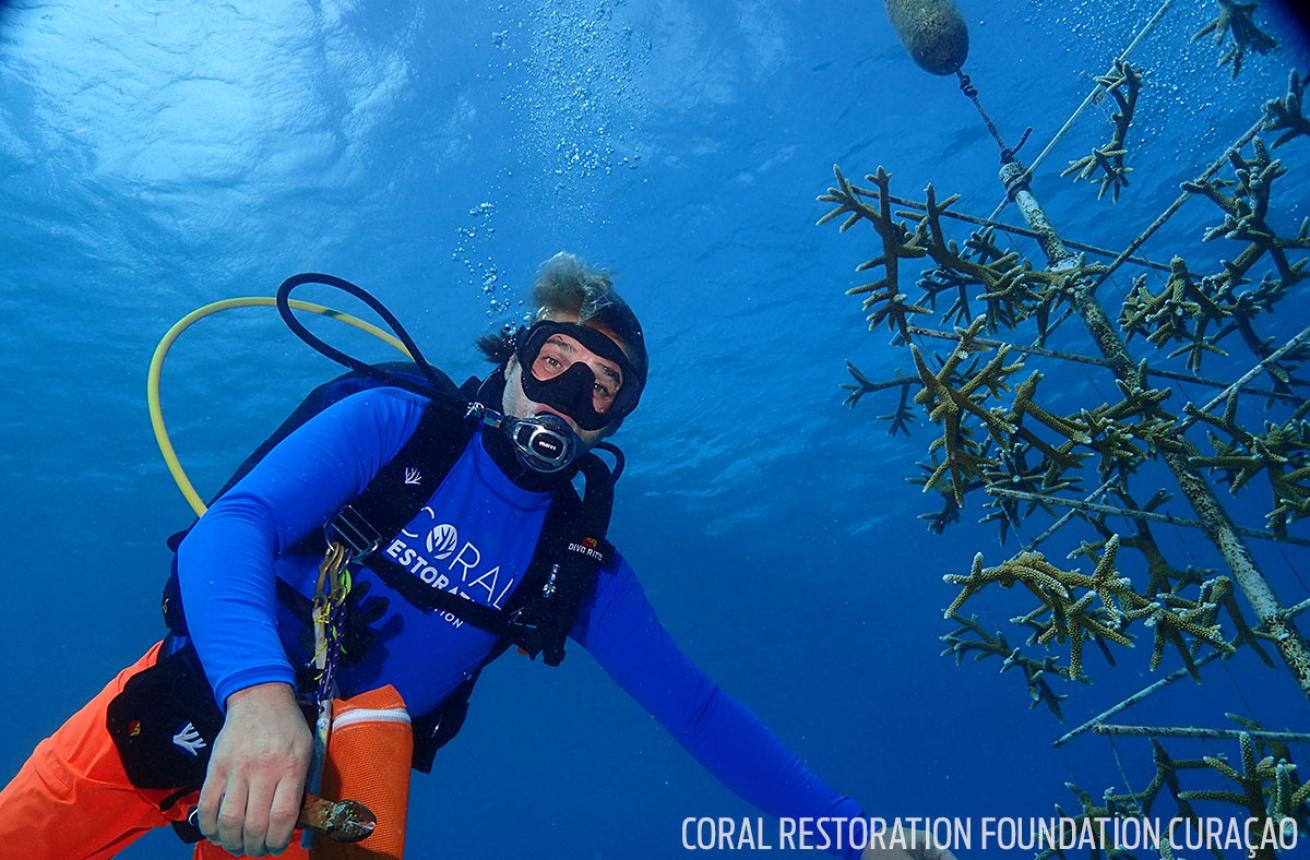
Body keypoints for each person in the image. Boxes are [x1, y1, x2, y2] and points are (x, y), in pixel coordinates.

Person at [0, 253, 957, 860]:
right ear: (511, 360)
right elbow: (233, 527)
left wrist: (856, 837)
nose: (568, 398)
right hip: (182, 711)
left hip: (324, 807)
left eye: (601, 390)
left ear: (611, 423)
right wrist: (256, 700)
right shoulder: (397, 423)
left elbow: (697, 710)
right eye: (554, 363)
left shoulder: (570, 561)